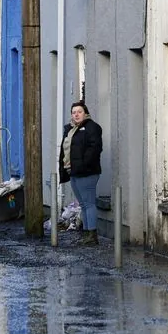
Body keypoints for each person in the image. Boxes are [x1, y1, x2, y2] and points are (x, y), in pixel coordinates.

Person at [58, 101, 103, 245]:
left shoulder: (92, 128)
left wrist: (83, 165)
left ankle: (92, 235)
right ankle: (86, 234)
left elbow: (94, 149)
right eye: (73, 112)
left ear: (85, 113)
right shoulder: (70, 129)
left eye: (79, 111)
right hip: (73, 172)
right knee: (83, 204)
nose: (76, 114)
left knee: (89, 203)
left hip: (87, 172)